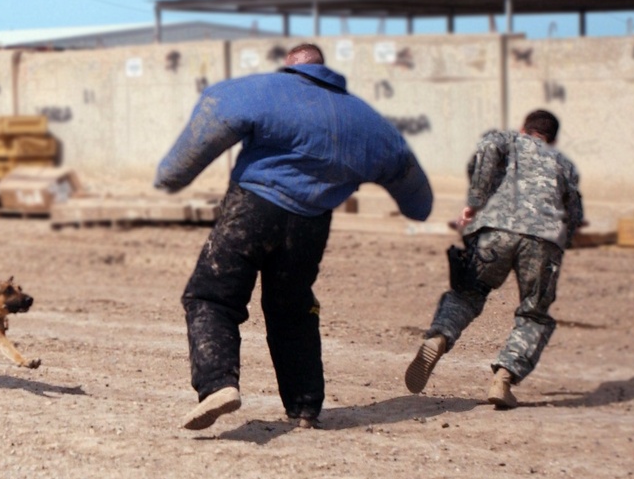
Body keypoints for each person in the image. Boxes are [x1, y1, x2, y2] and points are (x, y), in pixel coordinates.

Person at [155, 43, 433, 430]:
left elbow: (215, 109)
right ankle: (304, 408)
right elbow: (411, 181)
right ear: (323, 68)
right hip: (311, 225)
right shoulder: (365, 118)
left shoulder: (265, 89)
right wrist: (417, 206)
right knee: (293, 309)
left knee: (211, 296)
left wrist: (172, 173)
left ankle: (218, 383)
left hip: (253, 208)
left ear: (290, 66)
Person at [404, 109, 583, 409]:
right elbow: (574, 211)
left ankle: (439, 339)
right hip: (544, 240)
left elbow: (487, 150)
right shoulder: (564, 163)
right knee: (534, 313)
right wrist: (566, 241)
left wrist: (473, 204)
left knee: (466, 295)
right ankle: (504, 378)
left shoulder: (507, 139)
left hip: (494, 232)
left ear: (524, 128)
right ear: (552, 139)